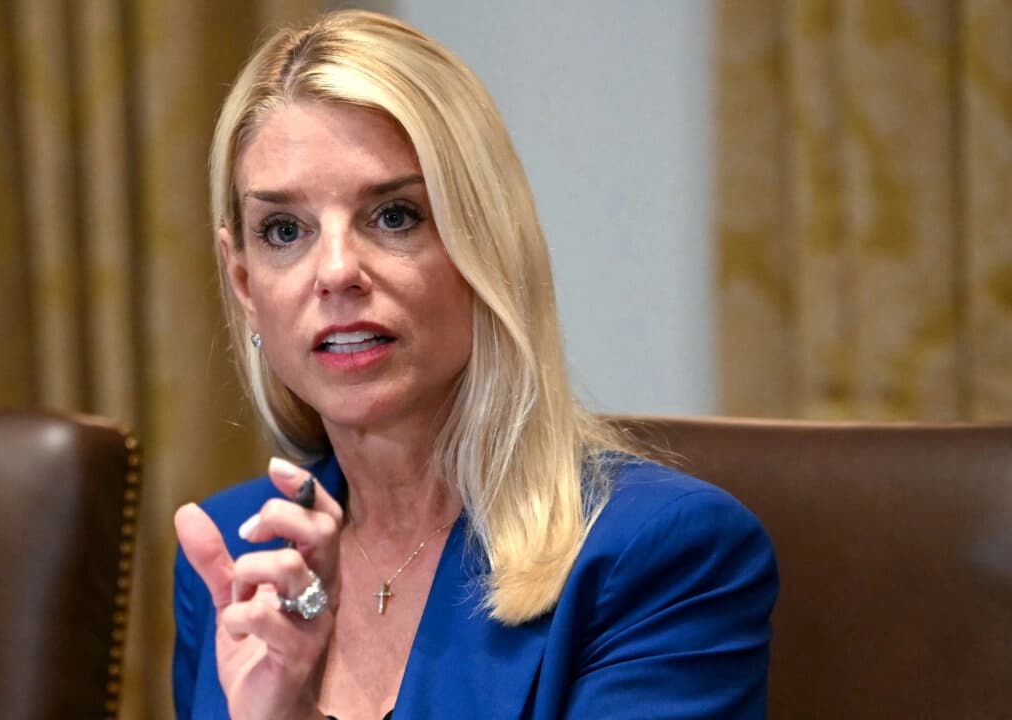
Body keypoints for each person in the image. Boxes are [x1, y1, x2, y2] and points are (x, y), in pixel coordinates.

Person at [173, 10, 777, 720]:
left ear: (486, 245)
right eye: (284, 230)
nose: (335, 272)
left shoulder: (662, 557)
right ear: (245, 285)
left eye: (394, 216)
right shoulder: (235, 554)